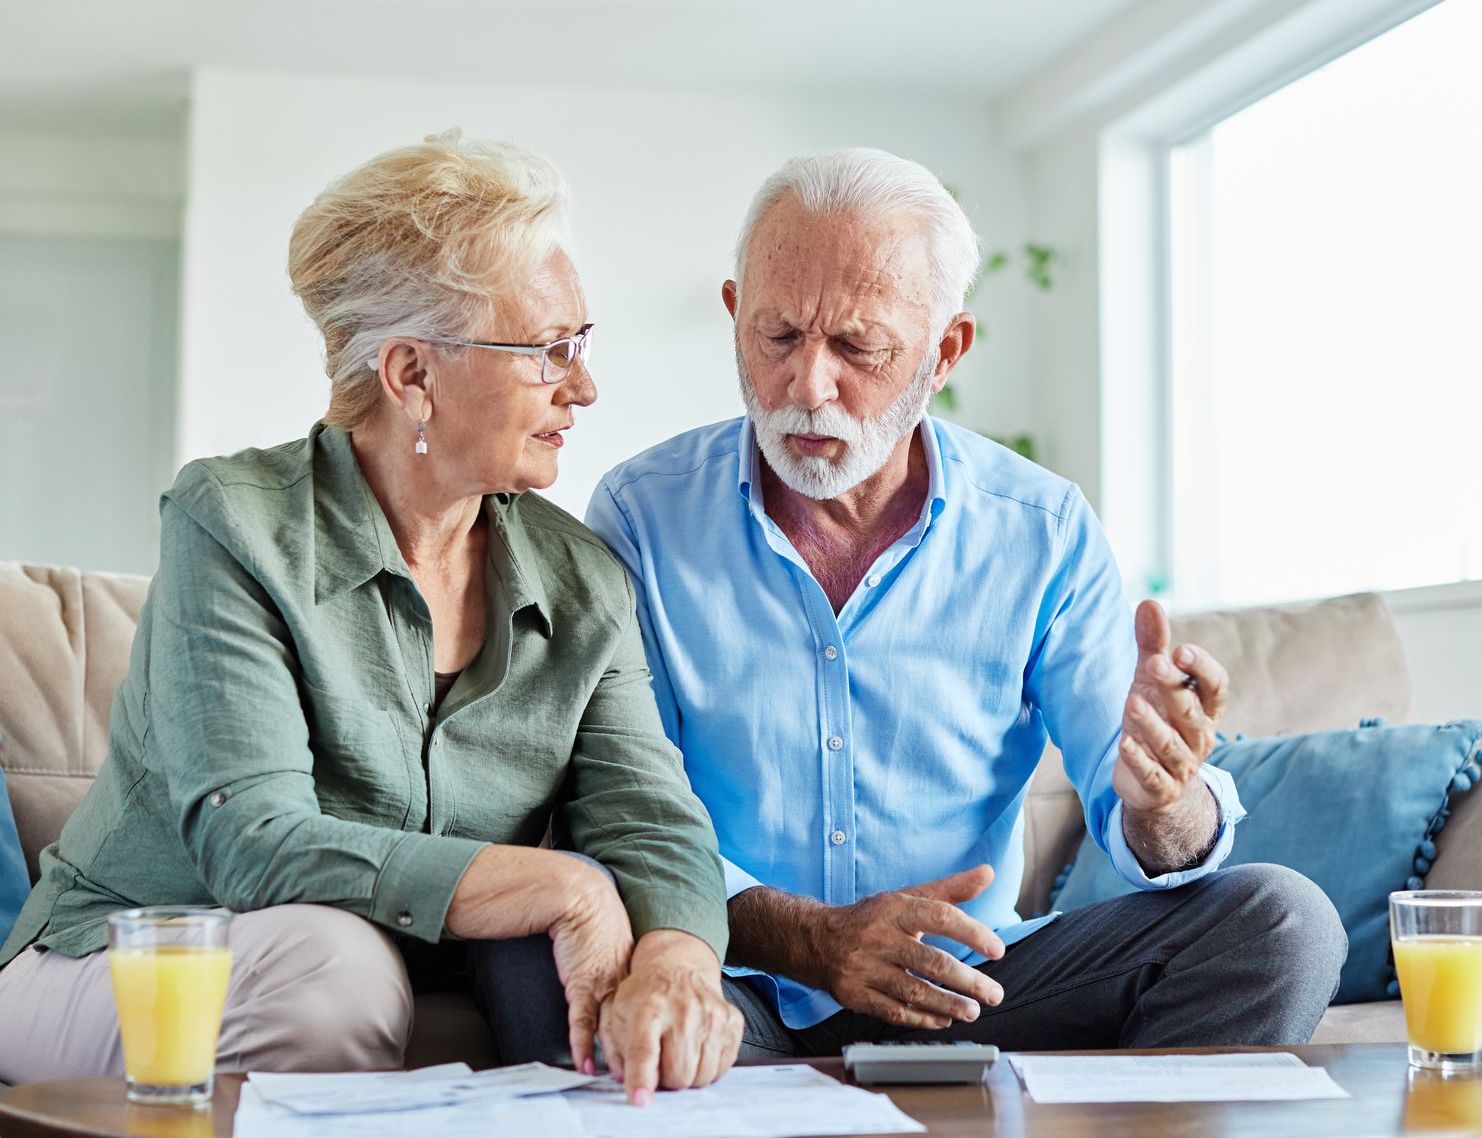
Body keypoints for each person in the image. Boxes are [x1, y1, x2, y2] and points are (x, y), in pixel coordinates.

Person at [0, 132, 742, 1102]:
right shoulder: (236, 523)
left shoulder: (583, 579)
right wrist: (562, 884)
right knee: (334, 976)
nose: (583, 385)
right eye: (545, 350)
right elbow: (254, 840)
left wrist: (679, 963)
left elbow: (652, 816)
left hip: (376, 976)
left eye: (582, 343)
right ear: (410, 375)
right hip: (127, 965)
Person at [586, 148, 1347, 1058]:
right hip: (737, 989)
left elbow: (1142, 810)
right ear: (733, 314)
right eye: (777, 335)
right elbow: (631, 806)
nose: (806, 387)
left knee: (1280, 923)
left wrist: (1166, 804)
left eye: (858, 347)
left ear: (946, 350)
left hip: (975, 989)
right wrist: (816, 943)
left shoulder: (1042, 529)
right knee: (540, 959)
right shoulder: (643, 515)